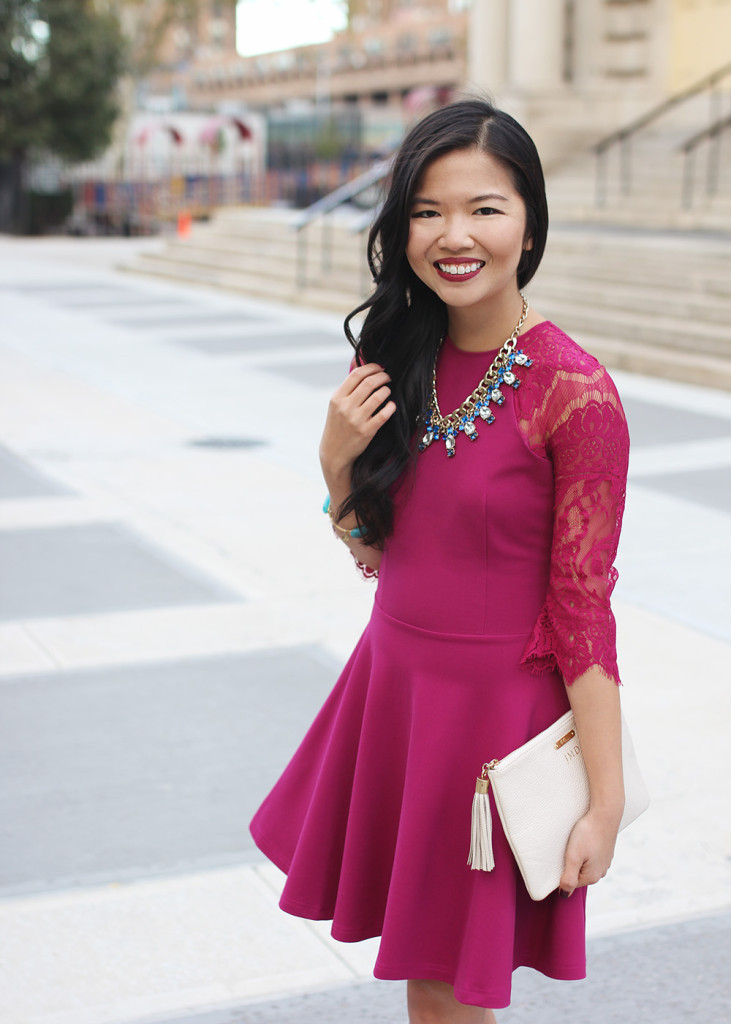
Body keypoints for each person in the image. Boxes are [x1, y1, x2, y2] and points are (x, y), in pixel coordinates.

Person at [250, 99, 629, 1023]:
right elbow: (379, 555)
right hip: (395, 695)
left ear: (528, 221)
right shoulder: (396, 358)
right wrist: (336, 467)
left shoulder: (575, 394)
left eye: (483, 208)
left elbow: (583, 609)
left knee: (445, 991)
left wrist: (604, 802)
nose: (453, 235)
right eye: (426, 211)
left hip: (490, 724)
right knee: (431, 984)